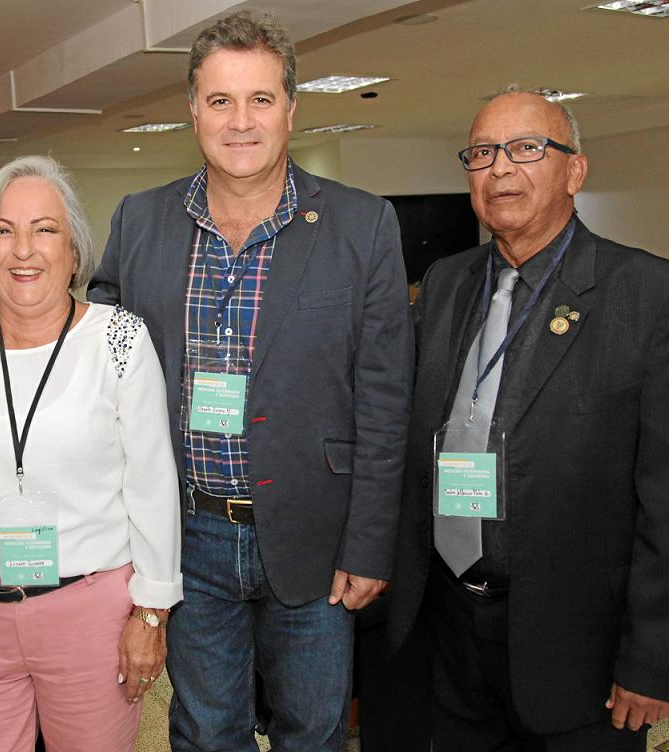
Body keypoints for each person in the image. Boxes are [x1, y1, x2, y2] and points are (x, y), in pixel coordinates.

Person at [87, 10, 413, 751]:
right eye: (222, 101)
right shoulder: (140, 222)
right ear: (193, 110)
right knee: (204, 731)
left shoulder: (361, 227)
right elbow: (97, 361)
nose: (241, 121)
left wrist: (369, 544)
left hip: (315, 534)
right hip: (187, 532)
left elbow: (387, 400)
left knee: (313, 731)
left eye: (261, 100)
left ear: (291, 110)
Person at [387, 86, 669, 751]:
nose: (500, 168)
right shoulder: (446, 280)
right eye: (481, 153)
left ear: (575, 170)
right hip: (447, 627)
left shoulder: (655, 296)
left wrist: (653, 660)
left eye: (526, 148)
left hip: (576, 648)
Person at [0, 154, 182, 752]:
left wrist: (152, 613)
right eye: (3, 231)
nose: (23, 249)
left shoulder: (119, 340)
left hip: (92, 617)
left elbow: (153, 485)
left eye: (44, 229)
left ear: (75, 252)